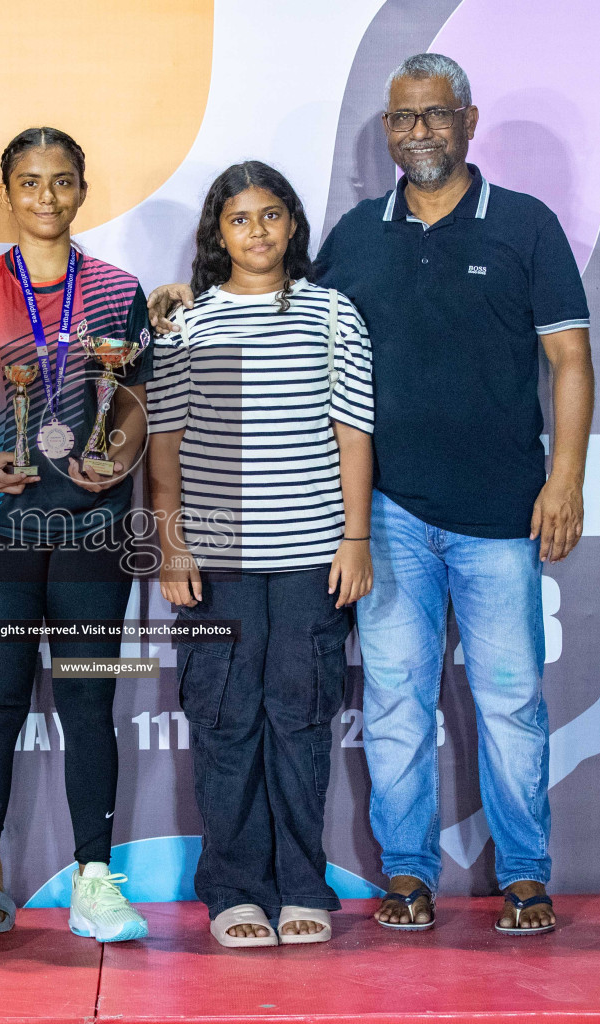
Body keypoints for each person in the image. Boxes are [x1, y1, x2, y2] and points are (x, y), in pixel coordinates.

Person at [149, 53, 595, 935]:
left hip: (504, 513)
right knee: (393, 701)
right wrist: (178, 302)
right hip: (385, 515)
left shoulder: (526, 226)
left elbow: (570, 359)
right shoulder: (356, 236)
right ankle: (406, 877)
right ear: (386, 131)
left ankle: (526, 878)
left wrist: (566, 479)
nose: (418, 131)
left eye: (434, 115)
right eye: (402, 119)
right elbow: (274, 307)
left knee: (509, 700)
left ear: (467, 120)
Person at [0, 127, 154, 952]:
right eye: (29, 182)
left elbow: (133, 401)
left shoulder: (116, 290)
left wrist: (115, 458)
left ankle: (95, 882)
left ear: (81, 190)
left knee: (90, 704)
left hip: (93, 529)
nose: (46, 197)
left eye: (61, 181)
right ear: (8, 194)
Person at [147, 161, 375, 948]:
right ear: (218, 233)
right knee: (224, 717)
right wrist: (171, 546)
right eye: (240, 220)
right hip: (217, 562)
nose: (258, 232)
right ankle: (235, 891)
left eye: (271, 216)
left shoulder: (332, 314)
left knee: (302, 716)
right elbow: (165, 446)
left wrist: (354, 537)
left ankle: (302, 886)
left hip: (312, 556)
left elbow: (352, 431)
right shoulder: (189, 325)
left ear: (293, 225)